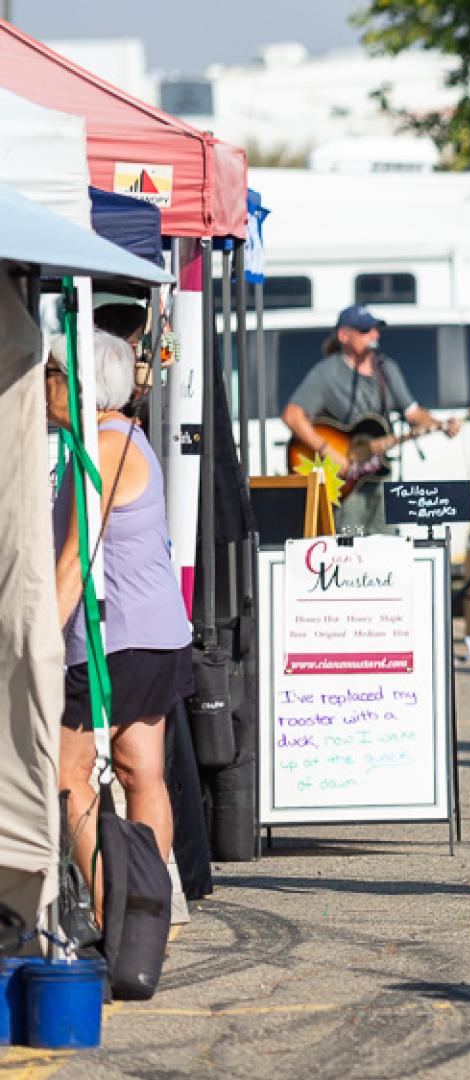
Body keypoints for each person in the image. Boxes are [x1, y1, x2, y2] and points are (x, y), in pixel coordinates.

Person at [47, 333, 193, 917]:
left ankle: (117, 911)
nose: (41, 387)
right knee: (142, 775)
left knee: (66, 776)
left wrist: (37, 639)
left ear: (80, 383)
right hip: (154, 633)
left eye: (51, 376)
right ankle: (143, 916)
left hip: (118, 639)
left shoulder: (105, 448)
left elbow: (75, 560)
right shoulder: (125, 436)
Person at [281, 305, 461, 535]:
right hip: (347, 482)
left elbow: (413, 412)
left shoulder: (387, 369)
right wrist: (329, 452)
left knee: (386, 541)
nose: (374, 335)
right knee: (348, 543)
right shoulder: (327, 372)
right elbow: (292, 415)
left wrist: (441, 425)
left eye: (376, 329)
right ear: (344, 336)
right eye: (365, 330)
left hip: (380, 473)